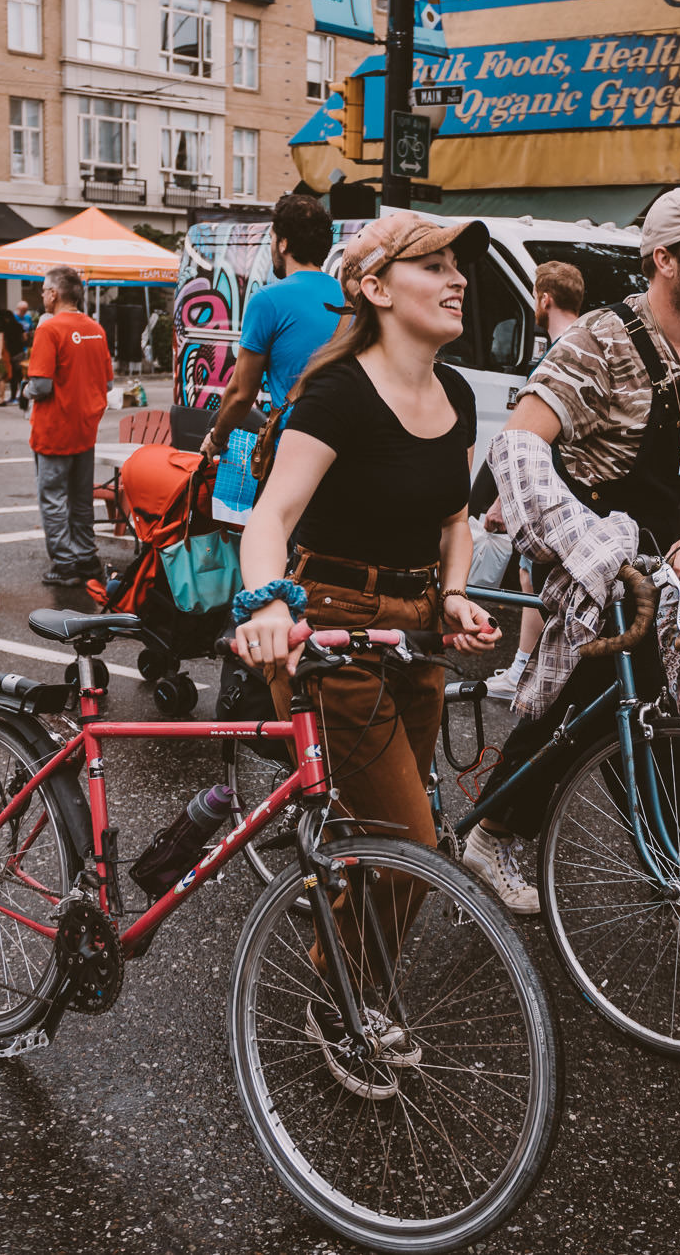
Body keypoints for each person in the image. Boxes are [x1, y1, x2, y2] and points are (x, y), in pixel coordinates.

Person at [477, 186, 680, 981]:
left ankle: (489, 832)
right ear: (665, 258)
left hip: (656, 573)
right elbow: (521, 442)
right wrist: (585, 543)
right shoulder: (599, 342)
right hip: (594, 569)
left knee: (587, 721)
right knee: (641, 727)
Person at [230, 211, 499, 1092]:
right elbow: (271, 516)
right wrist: (267, 602)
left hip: (414, 633)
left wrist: (456, 594)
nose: (458, 279)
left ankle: (334, 945)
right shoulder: (338, 393)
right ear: (376, 290)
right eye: (435, 266)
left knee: (382, 839)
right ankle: (343, 1000)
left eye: (460, 265)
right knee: (411, 842)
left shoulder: (455, 393)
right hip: (329, 634)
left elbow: (455, 517)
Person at [483, 260, 586, 700]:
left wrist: (501, 500)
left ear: (543, 299)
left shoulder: (556, 355)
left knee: (535, 583)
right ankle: (532, 669)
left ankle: (525, 672)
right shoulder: (593, 346)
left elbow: (525, 441)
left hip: (551, 490)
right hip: (579, 493)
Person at [201, 194, 341, 460]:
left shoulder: (268, 300)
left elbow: (242, 393)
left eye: (272, 239)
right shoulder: (350, 298)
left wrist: (217, 437)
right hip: (346, 448)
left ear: (284, 244)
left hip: (297, 452)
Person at [26, 266, 113, 587]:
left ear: (53, 293)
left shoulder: (49, 330)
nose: (42, 296)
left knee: (52, 498)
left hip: (53, 428)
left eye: (44, 290)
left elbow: (41, 386)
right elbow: (107, 382)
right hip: (85, 427)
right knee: (80, 498)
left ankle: (64, 564)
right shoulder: (96, 329)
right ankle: (87, 557)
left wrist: (25, 390)